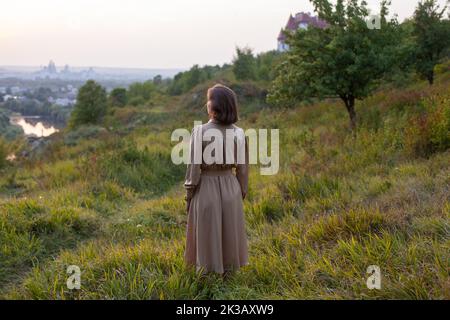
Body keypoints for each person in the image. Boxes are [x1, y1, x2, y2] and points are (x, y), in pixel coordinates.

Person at [184, 84, 249, 275]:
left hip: (206, 187)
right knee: (229, 231)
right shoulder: (239, 133)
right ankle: (229, 271)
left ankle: (208, 273)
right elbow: (243, 169)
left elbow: (193, 169)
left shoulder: (200, 132)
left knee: (207, 232)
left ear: (213, 106)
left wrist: (189, 195)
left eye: (208, 100)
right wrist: (241, 192)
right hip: (231, 186)